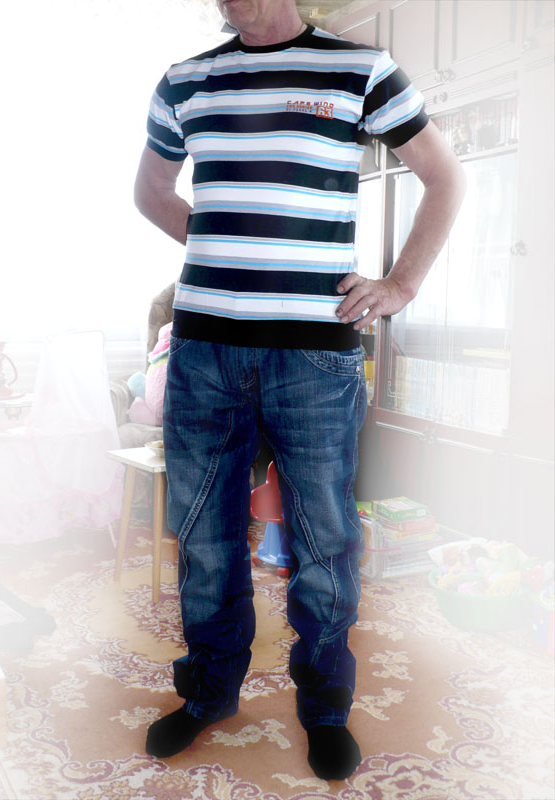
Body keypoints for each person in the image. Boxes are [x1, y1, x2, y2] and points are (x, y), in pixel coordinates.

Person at [134, 0, 465, 781]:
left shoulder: (360, 69)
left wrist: (402, 284)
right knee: (205, 537)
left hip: (314, 354)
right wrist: (223, 239)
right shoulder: (184, 82)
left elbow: (445, 178)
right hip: (205, 350)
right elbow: (151, 191)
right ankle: (210, 691)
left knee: (324, 541)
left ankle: (324, 706)